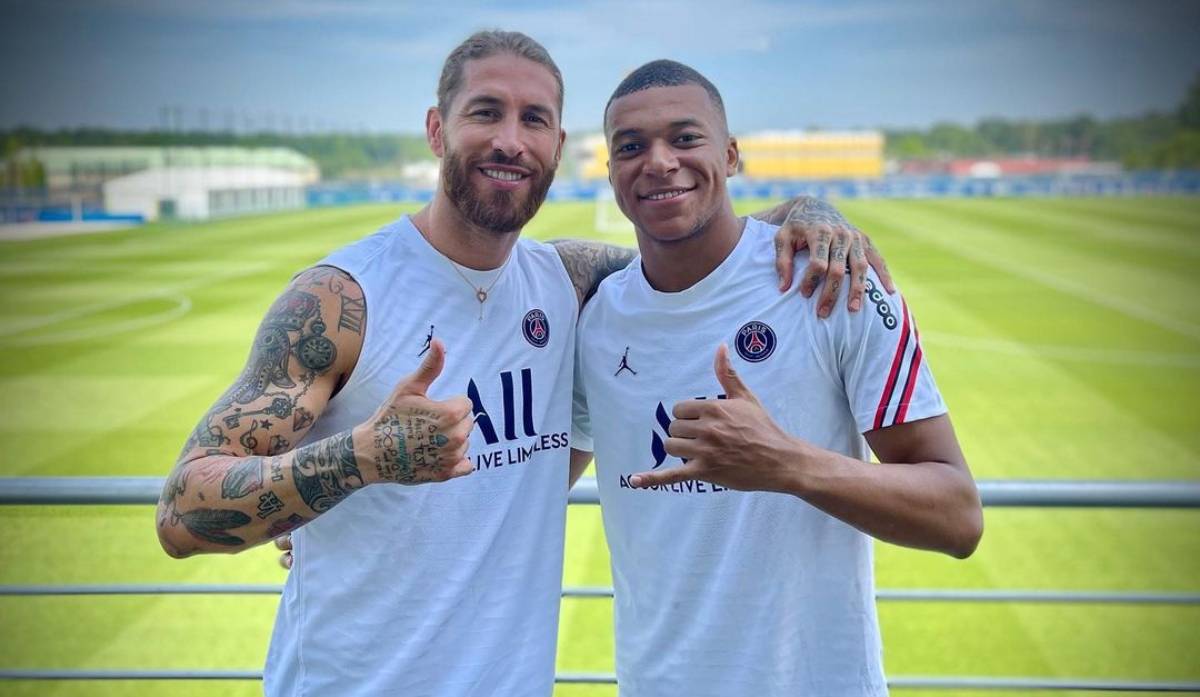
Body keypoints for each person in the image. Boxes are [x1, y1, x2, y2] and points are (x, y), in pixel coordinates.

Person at [156, 31, 890, 697]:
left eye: (533, 120)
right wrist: (359, 460)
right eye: (486, 113)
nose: (511, 140)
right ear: (438, 129)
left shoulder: (570, 284)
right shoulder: (341, 299)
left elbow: (699, 243)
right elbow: (183, 509)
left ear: (558, 144)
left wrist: (810, 209)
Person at [570, 60, 983, 696]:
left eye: (685, 138)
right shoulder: (592, 322)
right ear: (611, 172)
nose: (658, 161)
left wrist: (784, 462)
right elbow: (529, 486)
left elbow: (958, 517)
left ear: (730, 155)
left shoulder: (834, 281)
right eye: (631, 146)